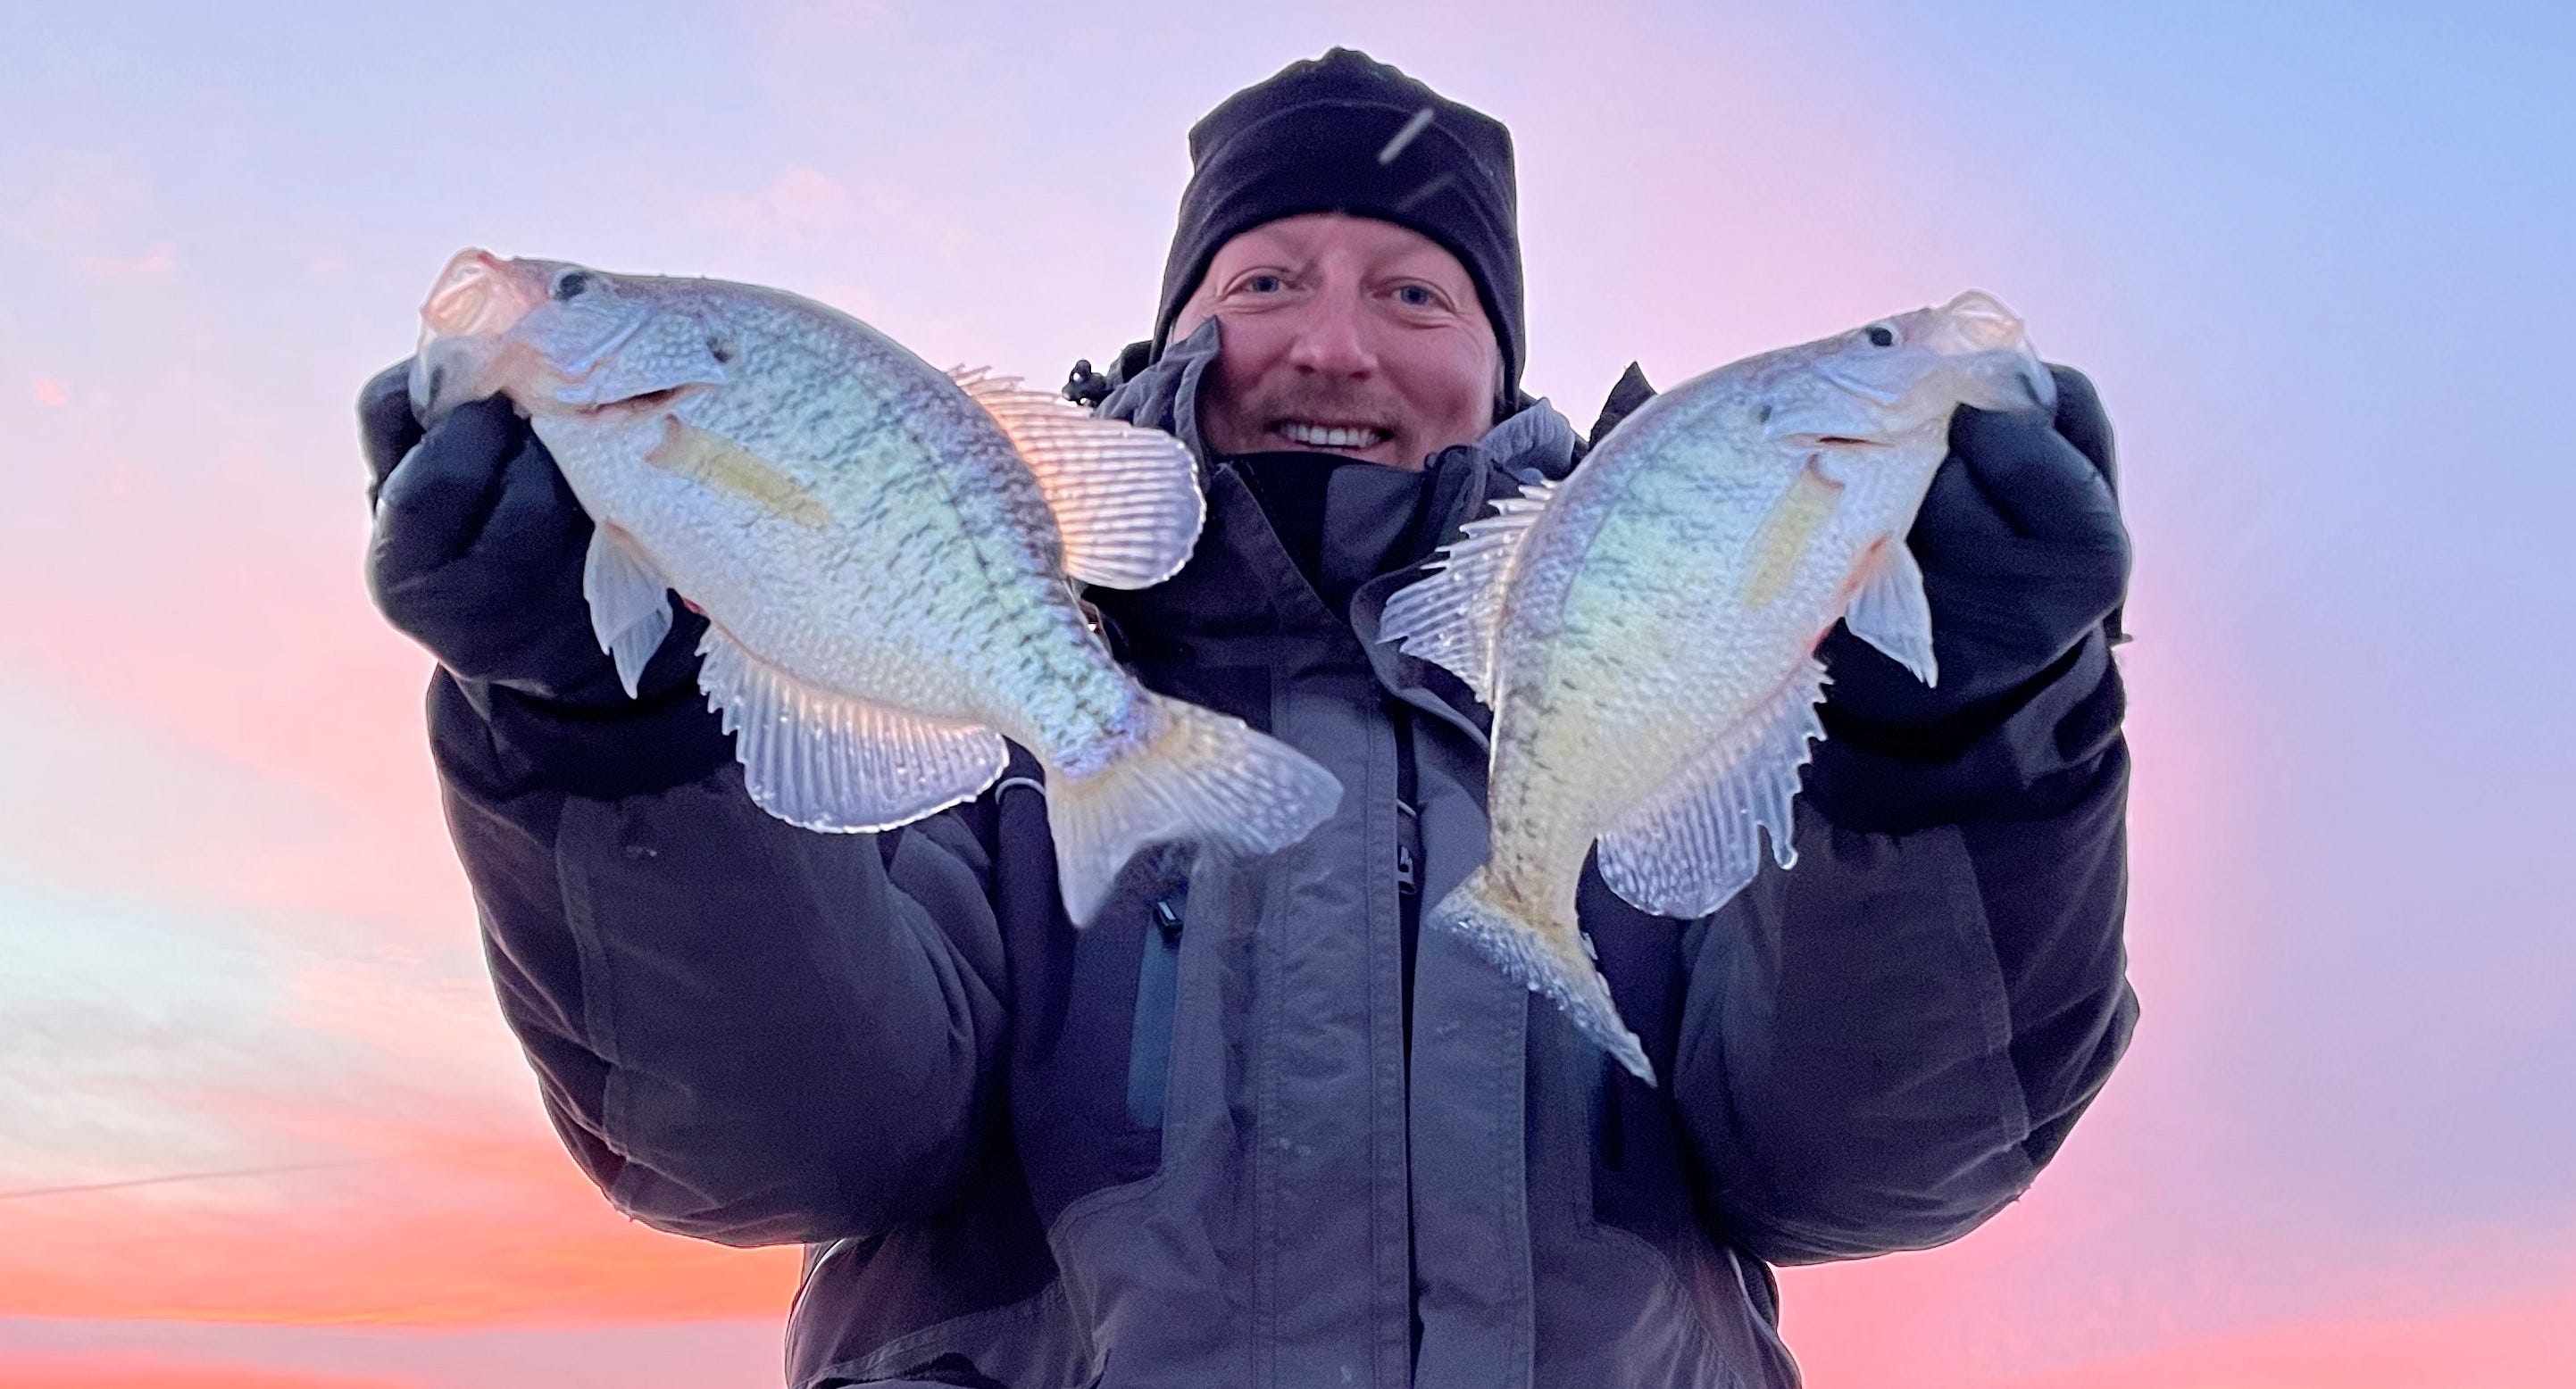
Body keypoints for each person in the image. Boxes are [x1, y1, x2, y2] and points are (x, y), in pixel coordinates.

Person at [358, 47, 2135, 1389]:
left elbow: (1869, 1166)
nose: (1334, 347)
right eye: (1265, 280)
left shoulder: (1703, 675)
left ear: (1497, 365)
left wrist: (1965, 738)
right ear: (1182, 330)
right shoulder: (968, 695)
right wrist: (600, 725)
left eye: (1415, 291)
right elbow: (773, 1147)